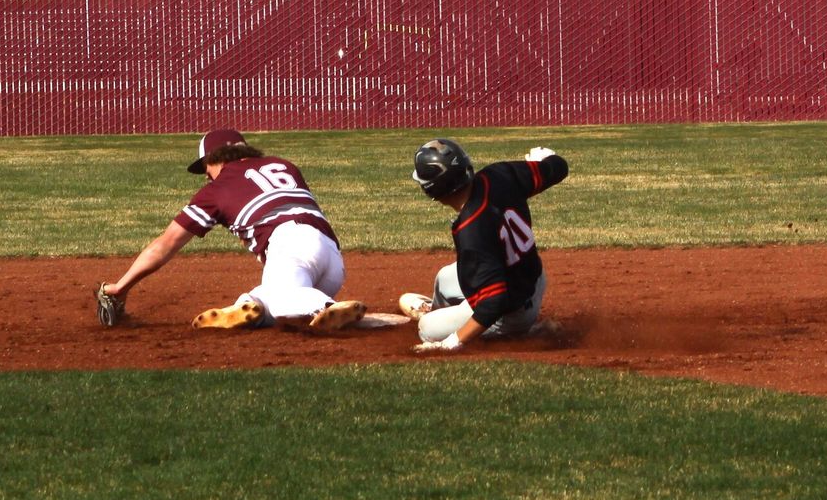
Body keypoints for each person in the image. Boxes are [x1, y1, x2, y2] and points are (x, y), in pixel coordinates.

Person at [98, 129, 366, 331]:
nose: (206, 175)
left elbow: (165, 244)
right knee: (274, 299)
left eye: (205, 167)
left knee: (286, 304)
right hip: (331, 258)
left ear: (214, 159)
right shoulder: (284, 165)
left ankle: (325, 306)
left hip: (289, 247)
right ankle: (250, 308)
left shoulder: (215, 190)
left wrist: (121, 286)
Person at [399, 138, 568, 352]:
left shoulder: (472, 231)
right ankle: (443, 314)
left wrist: (452, 342)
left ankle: (526, 332)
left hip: (512, 312)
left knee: (427, 330)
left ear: (431, 190)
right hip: (533, 279)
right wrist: (547, 159)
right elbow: (559, 168)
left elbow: (494, 302)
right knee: (444, 278)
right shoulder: (498, 175)